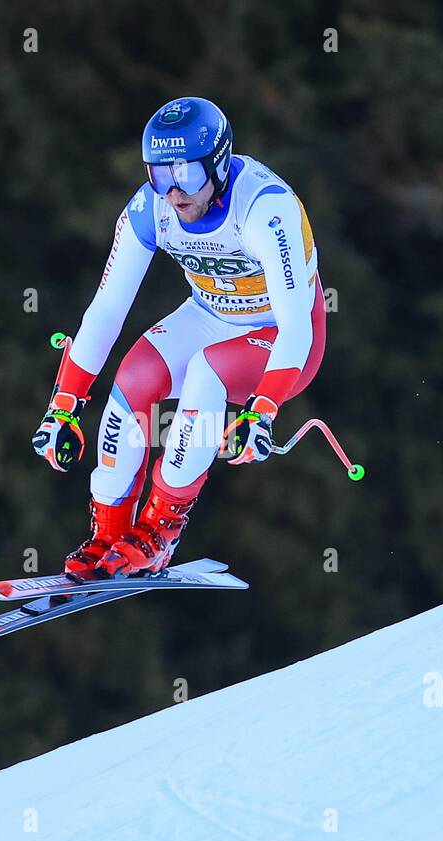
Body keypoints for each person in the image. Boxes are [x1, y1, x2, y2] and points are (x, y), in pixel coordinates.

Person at [31, 96, 326, 578]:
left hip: (283, 337)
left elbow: (297, 324)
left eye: (186, 174)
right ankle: (108, 532)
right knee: (134, 376)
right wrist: (63, 404)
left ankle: (159, 530)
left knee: (205, 373)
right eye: (159, 174)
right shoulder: (150, 209)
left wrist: (264, 410)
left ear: (220, 163)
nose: (173, 192)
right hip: (210, 313)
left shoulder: (265, 209)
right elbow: (107, 308)